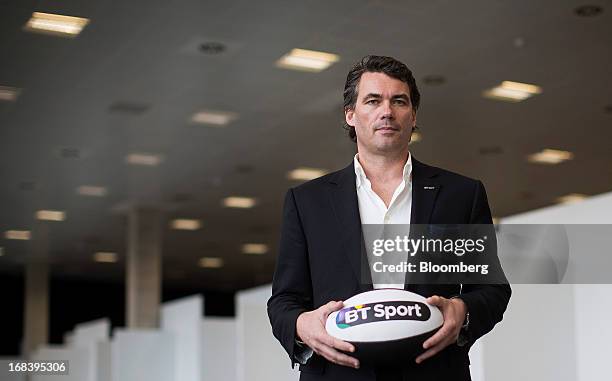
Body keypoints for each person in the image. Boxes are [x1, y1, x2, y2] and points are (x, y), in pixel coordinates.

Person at [267, 55, 511, 381]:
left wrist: (462, 311)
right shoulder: (307, 202)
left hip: (433, 372)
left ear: (413, 116)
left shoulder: (460, 195)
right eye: (373, 100)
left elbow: (491, 290)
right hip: (338, 374)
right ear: (350, 115)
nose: (387, 111)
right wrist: (301, 325)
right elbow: (284, 300)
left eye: (399, 101)